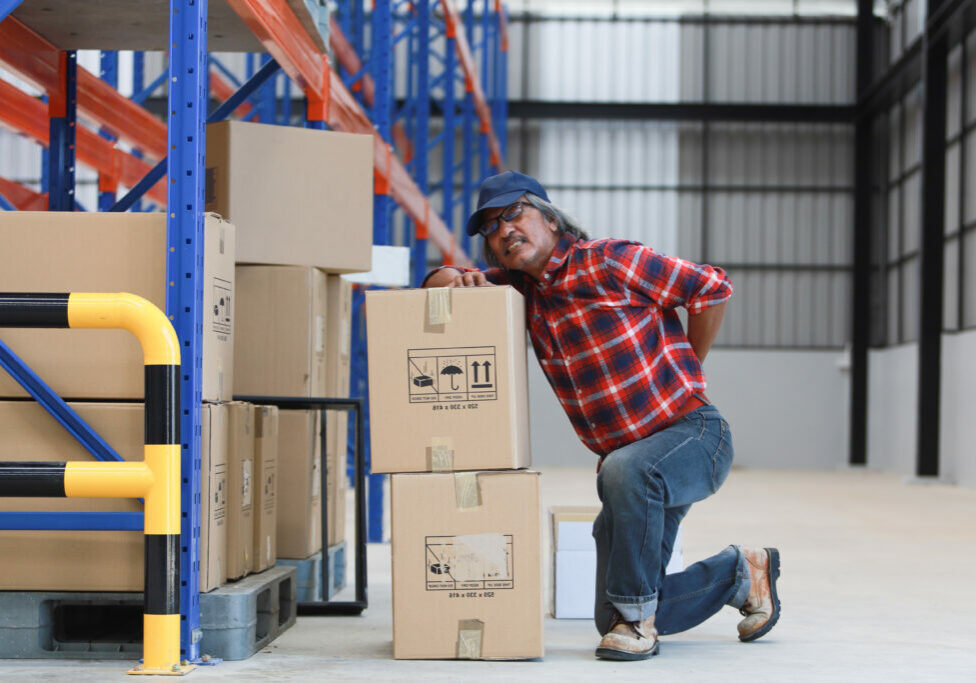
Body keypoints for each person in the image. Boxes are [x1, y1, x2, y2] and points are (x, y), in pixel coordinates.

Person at [422, 171, 781, 661]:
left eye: (513, 213)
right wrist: (450, 280)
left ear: (549, 217)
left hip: (693, 435)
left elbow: (712, 288)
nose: (503, 231)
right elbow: (436, 281)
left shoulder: (609, 260)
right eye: (489, 227)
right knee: (613, 612)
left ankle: (636, 623)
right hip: (632, 467)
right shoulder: (522, 292)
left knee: (625, 479)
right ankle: (740, 572)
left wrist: (690, 367)